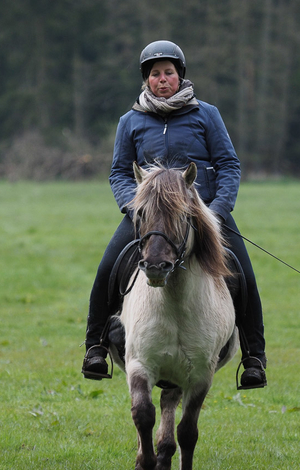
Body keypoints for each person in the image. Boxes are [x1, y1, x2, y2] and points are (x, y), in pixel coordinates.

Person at [81, 40, 267, 389]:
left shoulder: (206, 114)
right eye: (155, 74)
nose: (162, 79)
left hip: (204, 216)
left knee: (244, 276)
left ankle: (254, 357)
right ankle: (95, 348)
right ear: (146, 79)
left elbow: (229, 165)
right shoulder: (130, 120)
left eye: (168, 73)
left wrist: (218, 211)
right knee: (107, 269)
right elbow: (119, 172)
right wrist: (134, 207)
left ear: (180, 76)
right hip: (149, 217)